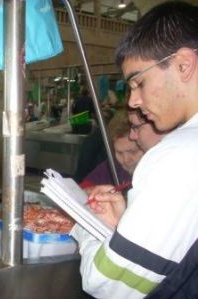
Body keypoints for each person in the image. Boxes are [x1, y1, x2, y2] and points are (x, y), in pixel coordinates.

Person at [71, 2, 198, 298]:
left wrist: (84, 223)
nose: (133, 101)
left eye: (139, 82)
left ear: (184, 64)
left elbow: (109, 284)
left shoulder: (179, 154)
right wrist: (126, 222)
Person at [80, 109, 143, 189]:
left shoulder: (157, 168)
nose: (126, 160)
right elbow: (84, 187)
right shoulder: (112, 166)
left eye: (133, 151)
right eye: (119, 153)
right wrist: (89, 191)